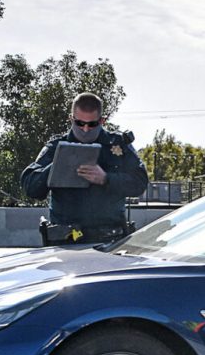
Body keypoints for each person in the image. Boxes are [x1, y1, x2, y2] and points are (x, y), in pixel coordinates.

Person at [21, 92, 148, 244]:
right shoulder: (56, 147)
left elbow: (140, 182)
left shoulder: (118, 144)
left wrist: (106, 179)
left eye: (92, 124)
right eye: (80, 124)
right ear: (71, 119)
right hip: (66, 243)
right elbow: (30, 186)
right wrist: (58, 165)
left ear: (102, 121)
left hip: (109, 243)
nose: (86, 129)